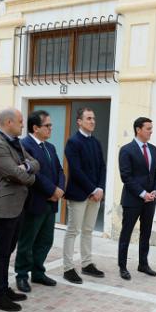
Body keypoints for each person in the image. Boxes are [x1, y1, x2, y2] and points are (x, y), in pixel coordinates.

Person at [0, 108, 39, 311]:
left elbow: (35, 163)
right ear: (8, 122)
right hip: (5, 205)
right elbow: (18, 174)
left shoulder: (14, 142)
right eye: (19, 121)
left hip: (18, 204)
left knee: (8, 250)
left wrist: (25, 168)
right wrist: (26, 171)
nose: (22, 124)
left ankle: (4, 287)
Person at [14, 110, 65, 292]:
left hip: (51, 202)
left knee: (46, 240)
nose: (51, 128)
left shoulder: (49, 147)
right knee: (27, 241)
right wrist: (51, 190)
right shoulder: (24, 146)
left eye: (51, 125)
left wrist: (60, 189)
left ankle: (38, 271)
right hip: (34, 201)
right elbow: (33, 173)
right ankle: (21, 275)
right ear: (35, 128)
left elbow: (59, 169)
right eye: (47, 125)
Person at [62, 108, 106, 284]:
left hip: (95, 194)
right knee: (73, 230)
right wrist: (92, 189)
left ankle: (87, 264)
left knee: (88, 230)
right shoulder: (73, 142)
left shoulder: (95, 142)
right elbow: (76, 170)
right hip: (79, 194)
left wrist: (101, 188)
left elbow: (102, 166)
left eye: (93, 118)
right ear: (79, 121)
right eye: (89, 118)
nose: (93, 121)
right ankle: (68, 268)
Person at [117, 117, 156, 280]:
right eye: (148, 128)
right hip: (133, 200)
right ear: (138, 130)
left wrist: (155, 191)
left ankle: (143, 264)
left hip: (151, 200)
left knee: (146, 233)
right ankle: (122, 266)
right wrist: (143, 194)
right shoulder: (126, 150)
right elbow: (126, 177)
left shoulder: (154, 149)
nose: (151, 131)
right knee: (126, 233)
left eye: (151, 128)